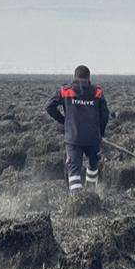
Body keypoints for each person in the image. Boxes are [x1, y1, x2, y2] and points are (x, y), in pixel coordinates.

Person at [46, 65, 110, 193]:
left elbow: (49, 106)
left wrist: (64, 121)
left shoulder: (65, 90)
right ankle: (91, 194)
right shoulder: (97, 92)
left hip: (73, 138)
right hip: (92, 138)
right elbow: (105, 115)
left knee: (74, 170)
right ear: (89, 77)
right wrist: (100, 133)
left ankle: (77, 201)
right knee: (93, 165)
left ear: (75, 77)